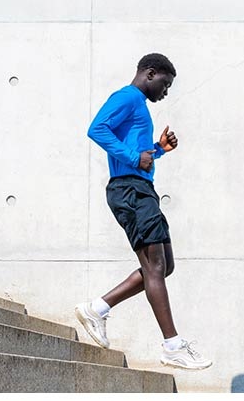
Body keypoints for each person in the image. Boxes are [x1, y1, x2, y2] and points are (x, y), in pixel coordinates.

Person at [76, 52, 210, 372]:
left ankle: (98, 308)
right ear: (150, 74)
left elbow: (137, 153)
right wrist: (137, 158)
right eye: (165, 84)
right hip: (130, 190)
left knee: (164, 267)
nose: (166, 92)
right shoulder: (128, 97)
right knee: (155, 267)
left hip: (139, 188)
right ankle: (172, 345)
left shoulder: (138, 106)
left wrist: (158, 149)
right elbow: (97, 129)